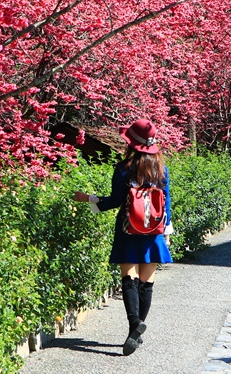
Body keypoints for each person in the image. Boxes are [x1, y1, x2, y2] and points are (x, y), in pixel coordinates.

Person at [73, 118, 173, 356]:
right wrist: (165, 229)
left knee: (129, 278)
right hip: (154, 232)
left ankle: (135, 325)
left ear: (131, 143)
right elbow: (167, 203)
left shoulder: (123, 168)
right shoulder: (162, 169)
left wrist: (87, 198)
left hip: (129, 229)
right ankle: (133, 334)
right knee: (146, 284)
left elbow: (115, 201)